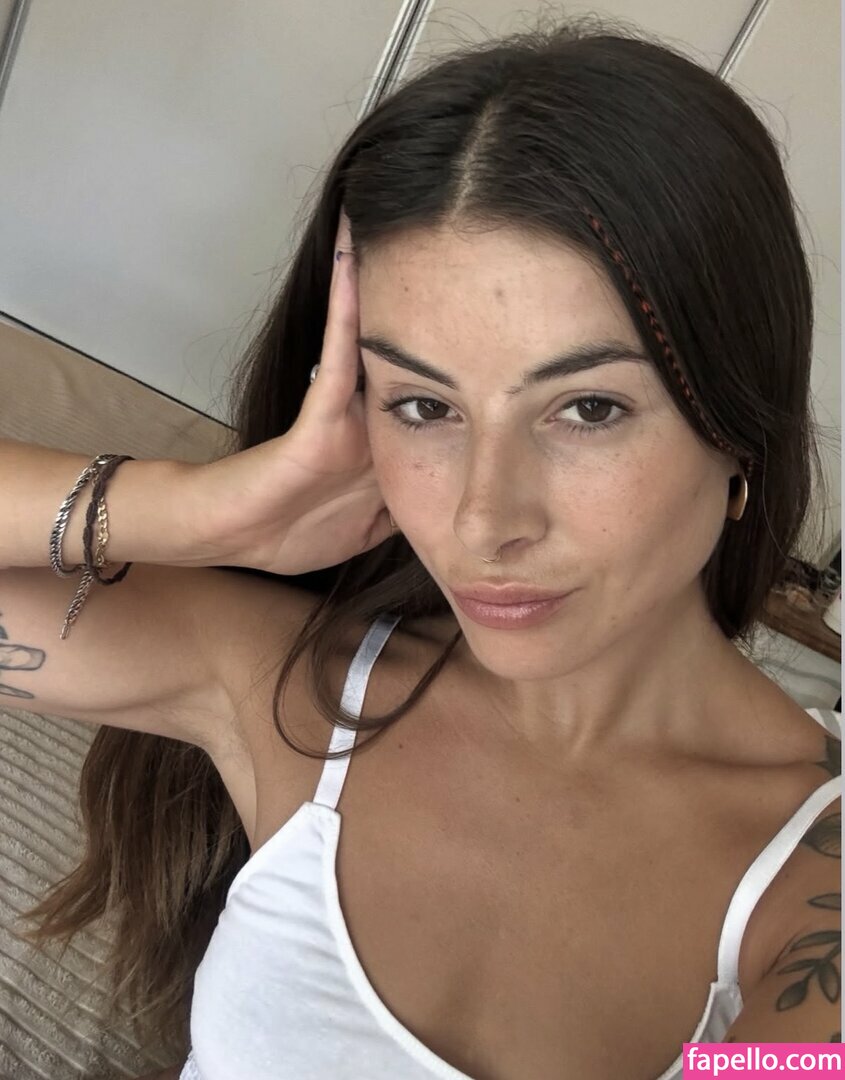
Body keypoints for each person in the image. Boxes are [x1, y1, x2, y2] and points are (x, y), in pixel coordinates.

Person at [3, 14, 840, 1080]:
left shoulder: (807, 892)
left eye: (587, 408)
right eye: (422, 406)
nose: (481, 519)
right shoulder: (283, 684)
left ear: (736, 430)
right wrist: (200, 510)